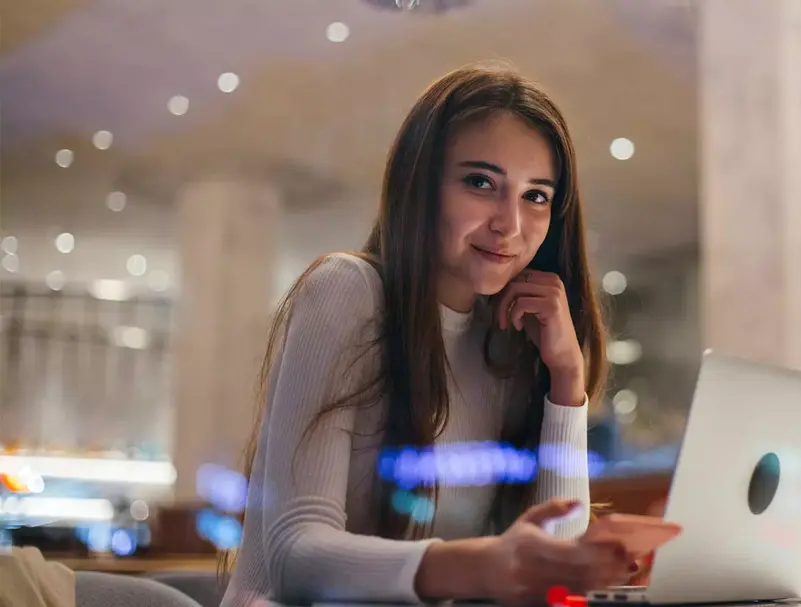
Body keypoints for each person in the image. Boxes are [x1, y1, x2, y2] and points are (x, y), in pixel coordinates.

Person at [219, 64, 633, 607]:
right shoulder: (346, 291)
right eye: (481, 182)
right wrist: (478, 567)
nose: (510, 223)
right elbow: (297, 557)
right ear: (420, 185)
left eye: (536, 196)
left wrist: (565, 384)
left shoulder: (512, 340)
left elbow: (551, 571)